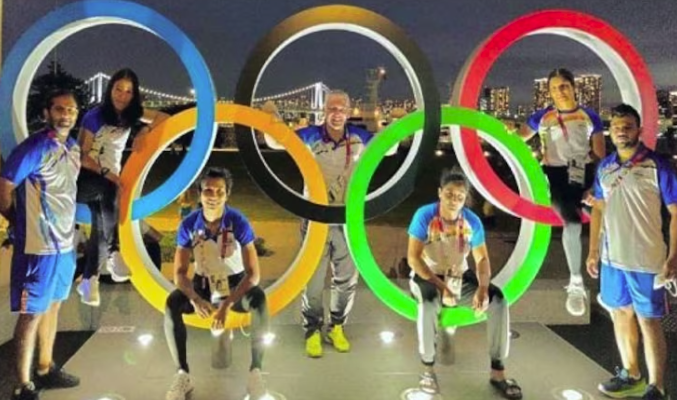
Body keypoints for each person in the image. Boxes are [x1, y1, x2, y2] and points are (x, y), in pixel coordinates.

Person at [264, 90, 391, 358]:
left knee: (347, 278)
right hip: (315, 218)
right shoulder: (310, 135)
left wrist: (395, 124)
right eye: (332, 108)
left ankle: (337, 327)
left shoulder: (359, 137)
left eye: (342, 108)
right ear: (324, 111)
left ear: (348, 111)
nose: (337, 113)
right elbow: (275, 142)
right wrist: (270, 115)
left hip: (347, 219)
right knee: (312, 278)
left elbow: (388, 148)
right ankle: (312, 330)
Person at [586, 104, 676, 400]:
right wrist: (593, 250)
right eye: (616, 127)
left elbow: (675, 212)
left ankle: (657, 387)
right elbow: (599, 208)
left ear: (639, 130)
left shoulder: (657, 165)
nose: (621, 131)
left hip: (647, 259)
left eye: (627, 126)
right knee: (620, 314)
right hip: (612, 258)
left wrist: (673, 255)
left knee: (648, 319)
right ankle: (631, 375)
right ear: (610, 132)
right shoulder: (605, 167)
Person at [407, 167, 521, 399]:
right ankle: (428, 370)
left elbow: (482, 258)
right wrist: (443, 288)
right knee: (428, 305)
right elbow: (413, 258)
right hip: (428, 276)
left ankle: (498, 372)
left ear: (465, 199)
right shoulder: (425, 215)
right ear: (440, 192)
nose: (453, 200)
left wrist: (482, 288)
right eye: (449, 194)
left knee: (498, 301)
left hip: (460, 276)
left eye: (459, 197)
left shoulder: (472, 221)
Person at [0, 88, 82, 400]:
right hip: (38, 248)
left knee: (54, 305)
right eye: (59, 109)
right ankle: (22, 385)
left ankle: (46, 368)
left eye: (71, 110)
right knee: (31, 313)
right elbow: (5, 185)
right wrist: (15, 220)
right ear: (47, 113)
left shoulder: (72, 148)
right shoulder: (34, 147)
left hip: (64, 247)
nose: (66, 115)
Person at [164, 167, 269, 400]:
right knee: (172, 302)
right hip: (202, 286)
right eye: (208, 190)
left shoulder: (238, 221)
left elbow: (253, 274)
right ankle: (182, 374)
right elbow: (179, 274)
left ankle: (256, 372)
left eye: (219, 191)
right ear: (200, 194)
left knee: (259, 299)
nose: (213, 196)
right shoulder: (189, 224)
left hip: (234, 285)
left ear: (227, 194)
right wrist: (195, 299)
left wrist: (226, 305)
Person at [76, 68, 169, 307]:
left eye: (129, 91)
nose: (122, 95)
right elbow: (82, 156)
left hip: (107, 182)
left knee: (101, 222)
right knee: (108, 192)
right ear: (110, 90)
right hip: (84, 178)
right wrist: (108, 174)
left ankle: (90, 280)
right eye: (118, 89)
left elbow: (163, 118)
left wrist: (144, 130)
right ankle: (113, 252)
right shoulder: (95, 116)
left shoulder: (131, 114)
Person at [520, 68, 606, 316]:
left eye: (564, 86)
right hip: (556, 176)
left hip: (584, 173)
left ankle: (610, 275)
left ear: (574, 87)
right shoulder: (543, 117)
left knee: (607, 217)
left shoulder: (589, 116)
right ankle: (576, 282)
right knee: (572, 223)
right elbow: (517, 140)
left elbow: (599, 155)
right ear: (549, 92)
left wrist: (595, 187)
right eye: (554, 88)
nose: (560, 91)